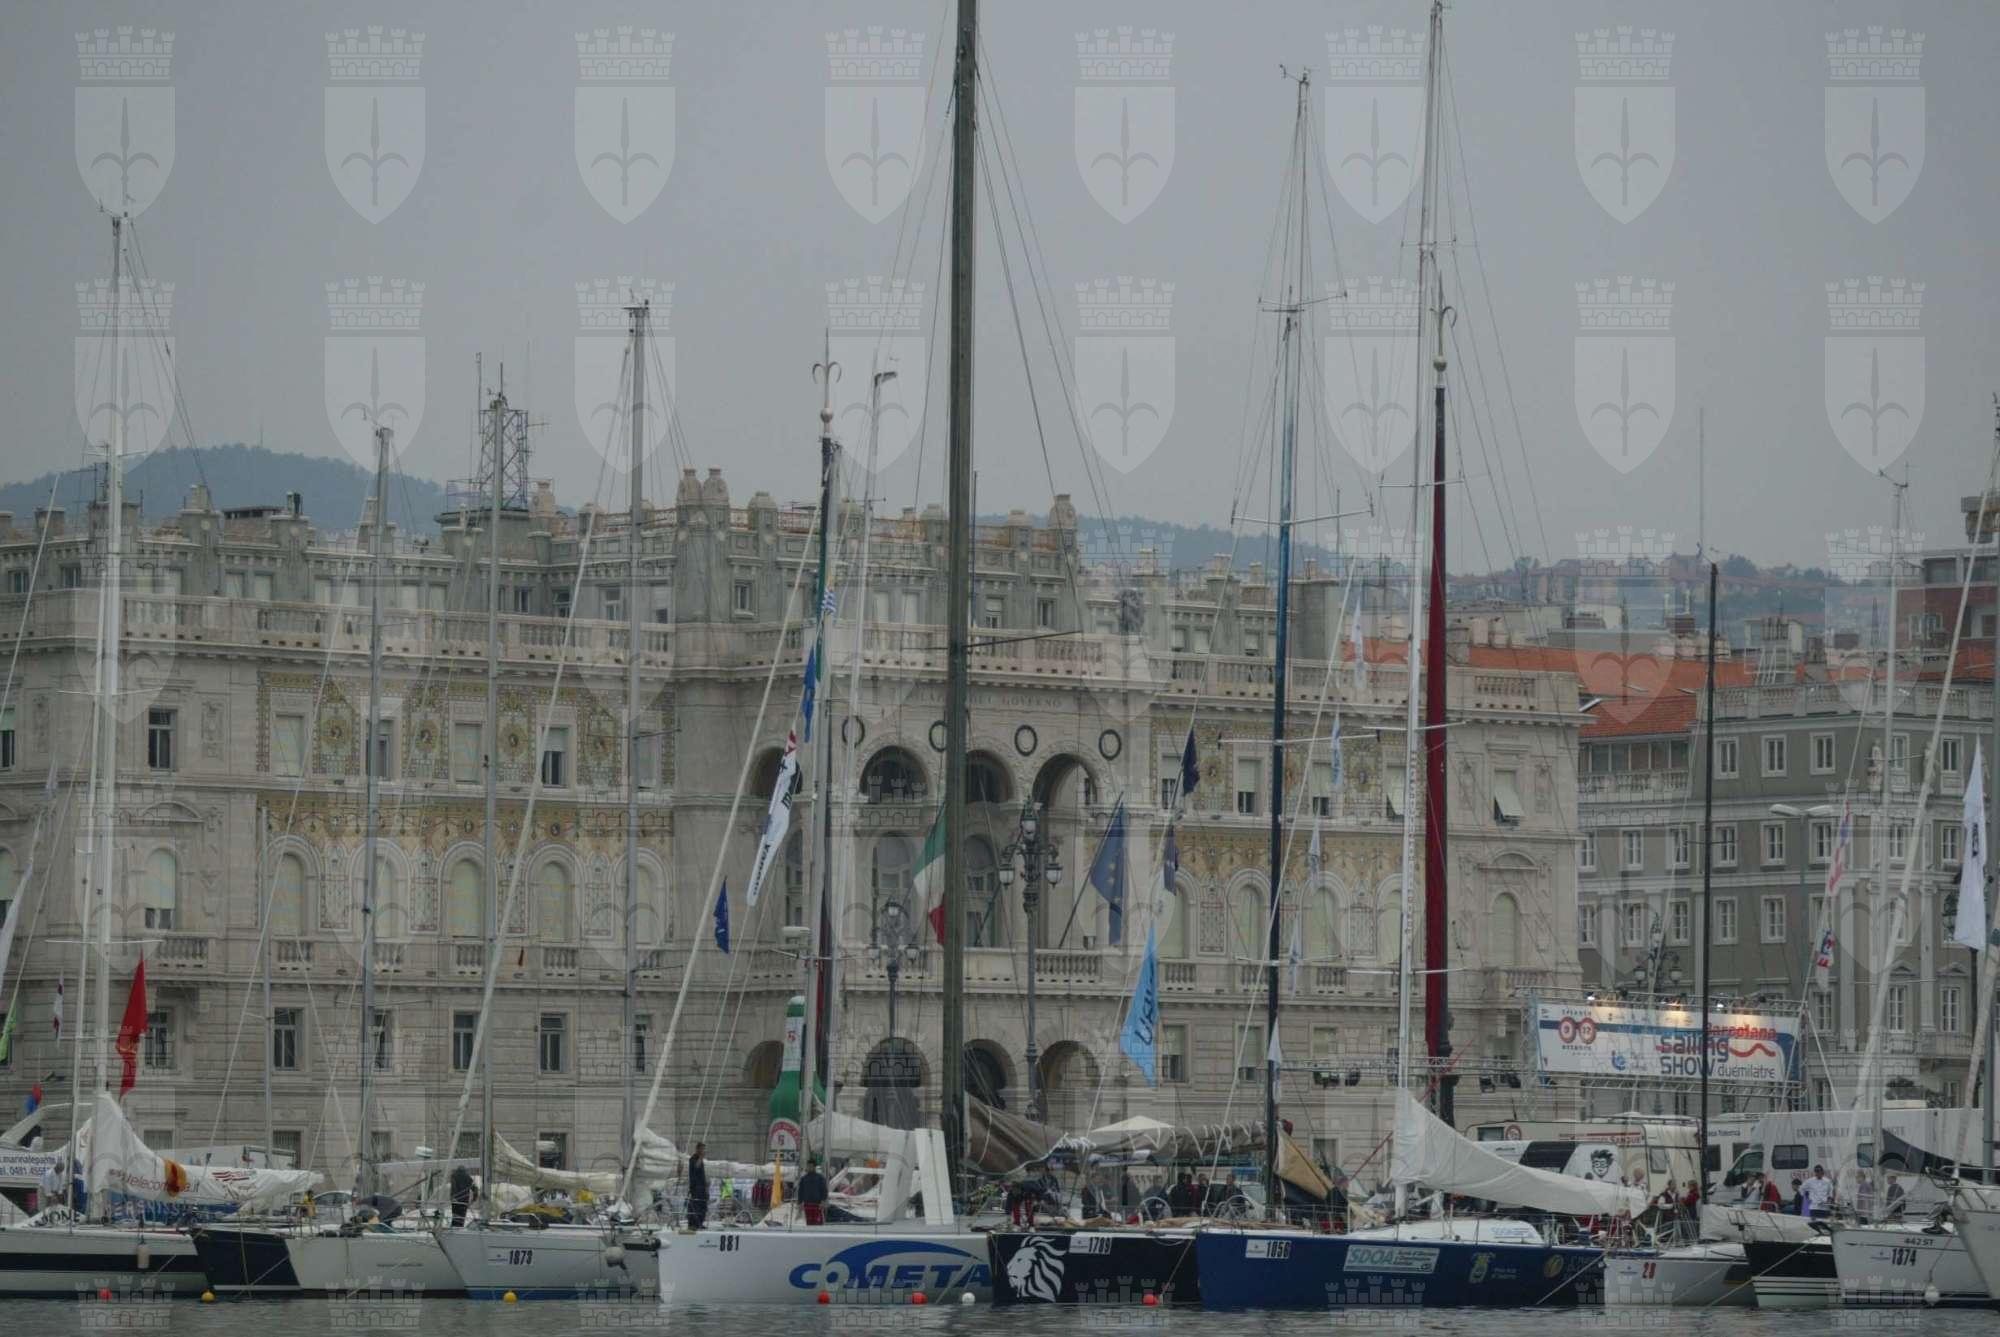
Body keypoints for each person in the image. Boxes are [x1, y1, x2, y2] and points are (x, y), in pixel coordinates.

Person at [798, 1157, 829, 1226]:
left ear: (814, 1167)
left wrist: (823, 1201)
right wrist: (799, 1202)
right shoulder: (804, 1178)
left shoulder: (820, 1178)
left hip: (818, 1205)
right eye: (808, 1166)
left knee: (818, 1223)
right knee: (809, 1222)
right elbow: (800, 1191)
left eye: (811, 1166)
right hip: (807, 1204)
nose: (809, 1168)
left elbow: (824, 1190)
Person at [686, 1142, 709, 1230]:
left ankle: (700, 1222)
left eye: (704, 1149)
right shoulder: (693, 1159)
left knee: (703, 1205)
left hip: (702, 1187)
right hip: (696, 1187)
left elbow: (701, 1173)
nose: (704, 1151)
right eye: (702, 1149)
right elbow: (696, 1167)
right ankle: (694, 1223)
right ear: (698, 1149)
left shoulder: (700, 1160)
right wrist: (701, 1157)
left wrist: (706, 1186)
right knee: (696, 1205)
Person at [449, 1163, 475, 1228]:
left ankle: (454, 1228)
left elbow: (453, 1188)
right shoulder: (469, 1178)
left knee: (455, 1218)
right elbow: (475, 1189)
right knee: (461, 1218)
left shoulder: (454, 1176)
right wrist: (473, 1199)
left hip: (456, 1201)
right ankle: (460, 1228)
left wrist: (452, 1197)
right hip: (464, 1201)